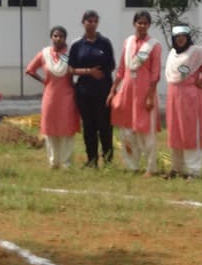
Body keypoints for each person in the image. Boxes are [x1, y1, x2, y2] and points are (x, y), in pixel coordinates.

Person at [106, 10, 162, 176]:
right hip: (127, 92)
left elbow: (155, 73)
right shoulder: (128, 42)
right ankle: (132, 166)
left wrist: (151, 96)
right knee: (127, 131)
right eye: (139, 22)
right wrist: (112, 90)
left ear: (149, 25)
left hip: (145, 93)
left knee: (146, 131)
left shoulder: (154, 45)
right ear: (134, 24)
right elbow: (122, 69)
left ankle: (150, 168)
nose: (142, 26)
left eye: (145, 23)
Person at [164, 24, 202, 179]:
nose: (180, 39)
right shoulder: (172, 53)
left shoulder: (196, 52)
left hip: (190, 98)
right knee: (175, 132)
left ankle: (194, 171)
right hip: (173, 97)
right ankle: (177, 168)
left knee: (190, 132)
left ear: (188, 37)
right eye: (177, 36)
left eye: (183, 36)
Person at [25, 26, 80, 169]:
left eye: (61, 36)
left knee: (66, 129)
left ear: (65, 38)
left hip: (67, 96)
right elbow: (30, 69)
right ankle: (54, 162)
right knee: (50, 130)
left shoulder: (69, 54)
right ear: (51, 37)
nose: (58, 38)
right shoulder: (44, 54)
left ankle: (66, 162)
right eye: (55, 36)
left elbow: (76, 70)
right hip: (50, 96)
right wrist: (43, 81)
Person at [67, 10, 115, 168]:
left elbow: (112, 65)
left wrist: (101, 74)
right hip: (84, 92)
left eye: (95, 21)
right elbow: (70, 69)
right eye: (89, 21)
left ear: (98, 23)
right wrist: (89, 71)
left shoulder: (105, 43)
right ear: (83, 22)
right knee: (89, 127)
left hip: (103, 91)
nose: (92, 24)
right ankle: (91, 160)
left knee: (104, 126)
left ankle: (108, 160)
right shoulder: (77, 45)